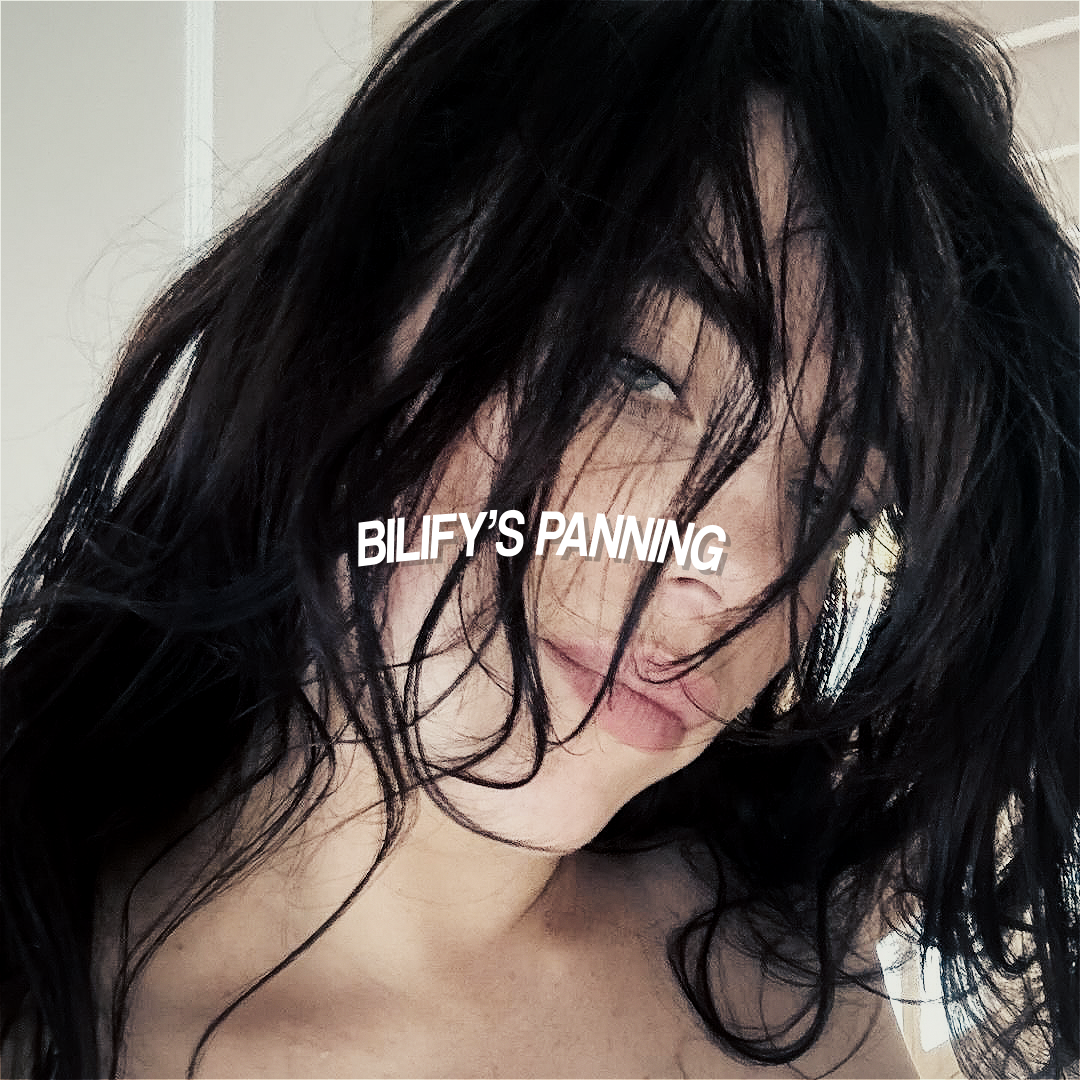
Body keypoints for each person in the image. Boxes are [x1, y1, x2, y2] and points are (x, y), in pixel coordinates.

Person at [2, 0, 1077, 1077]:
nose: (748, 574)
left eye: (835, 498)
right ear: (353, 313)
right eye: (634, 370)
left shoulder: (783, 984)